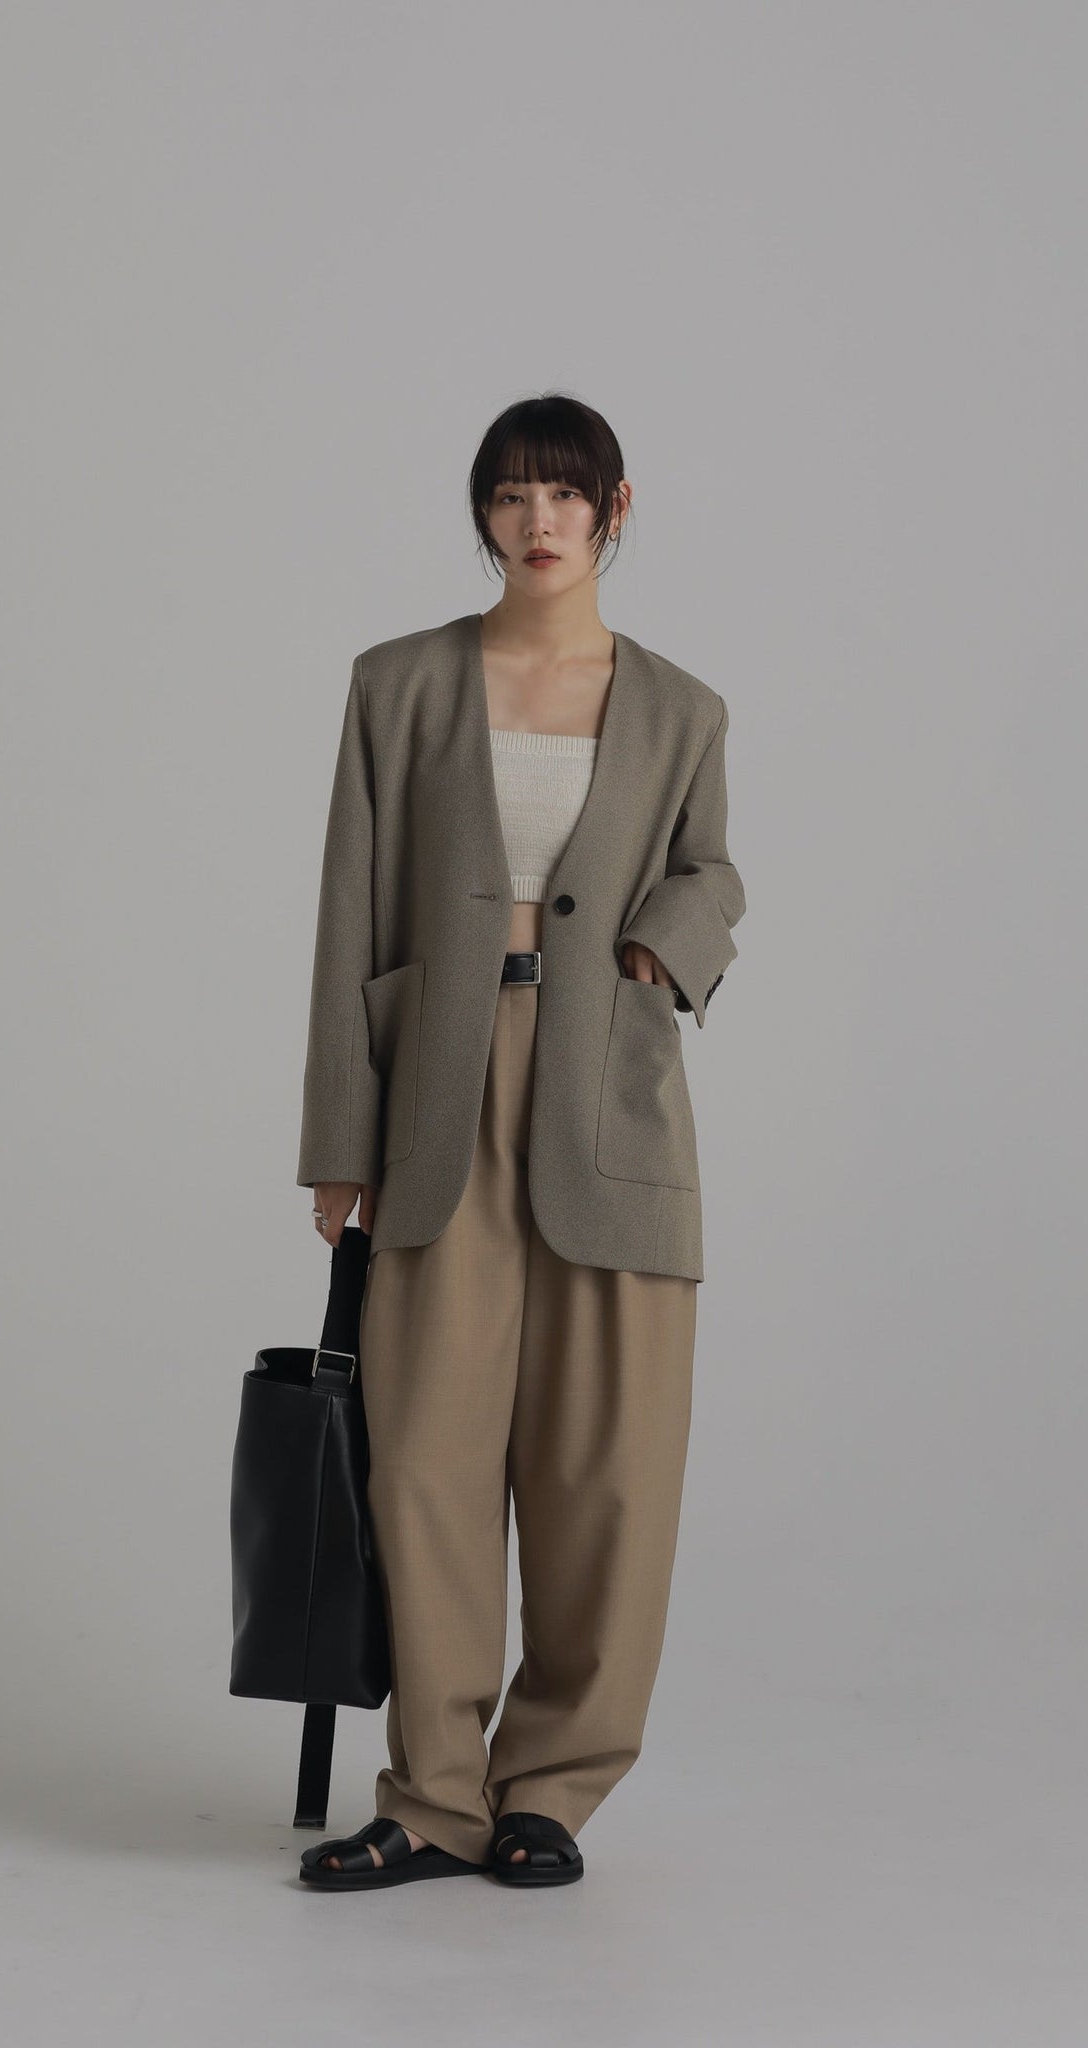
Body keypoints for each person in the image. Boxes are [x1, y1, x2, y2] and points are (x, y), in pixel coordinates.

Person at [296, 392, 746, 1889]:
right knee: (424, 1463)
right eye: (509, 495)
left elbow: (714, 870)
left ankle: (550, 1787)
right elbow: (351, 911)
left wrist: (662, 945)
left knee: (607, 1470)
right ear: (482, 513)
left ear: (617, 507)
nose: (537, 521)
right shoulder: (399, 684)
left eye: (563, 494)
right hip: (436, 1095)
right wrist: (339, 1136)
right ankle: (432, 1798)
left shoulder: (681, 709)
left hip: (612, 1101)